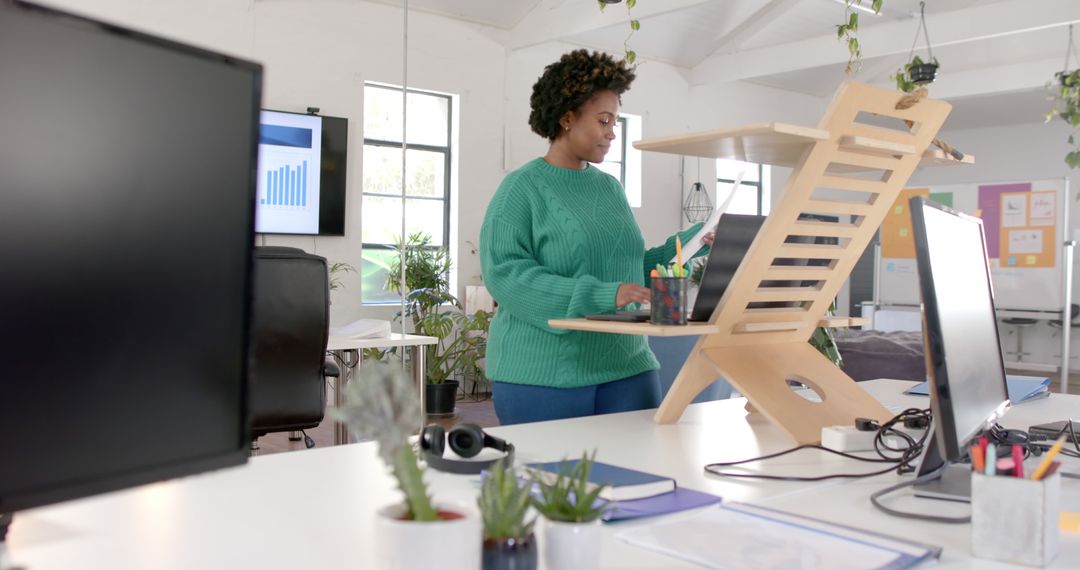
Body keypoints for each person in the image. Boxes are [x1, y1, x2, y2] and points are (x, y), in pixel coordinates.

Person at [479, 49, 713, 425]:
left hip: (629, 367)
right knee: (558, 484)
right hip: (544, 376)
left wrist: (694, 241)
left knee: (645, 478)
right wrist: (605, 294)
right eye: (604, 120)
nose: (612, 132)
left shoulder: (609, 189)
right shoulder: (520, 189)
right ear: (567, 118)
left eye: (615, 121)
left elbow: (629, 268)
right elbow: (505, 277)